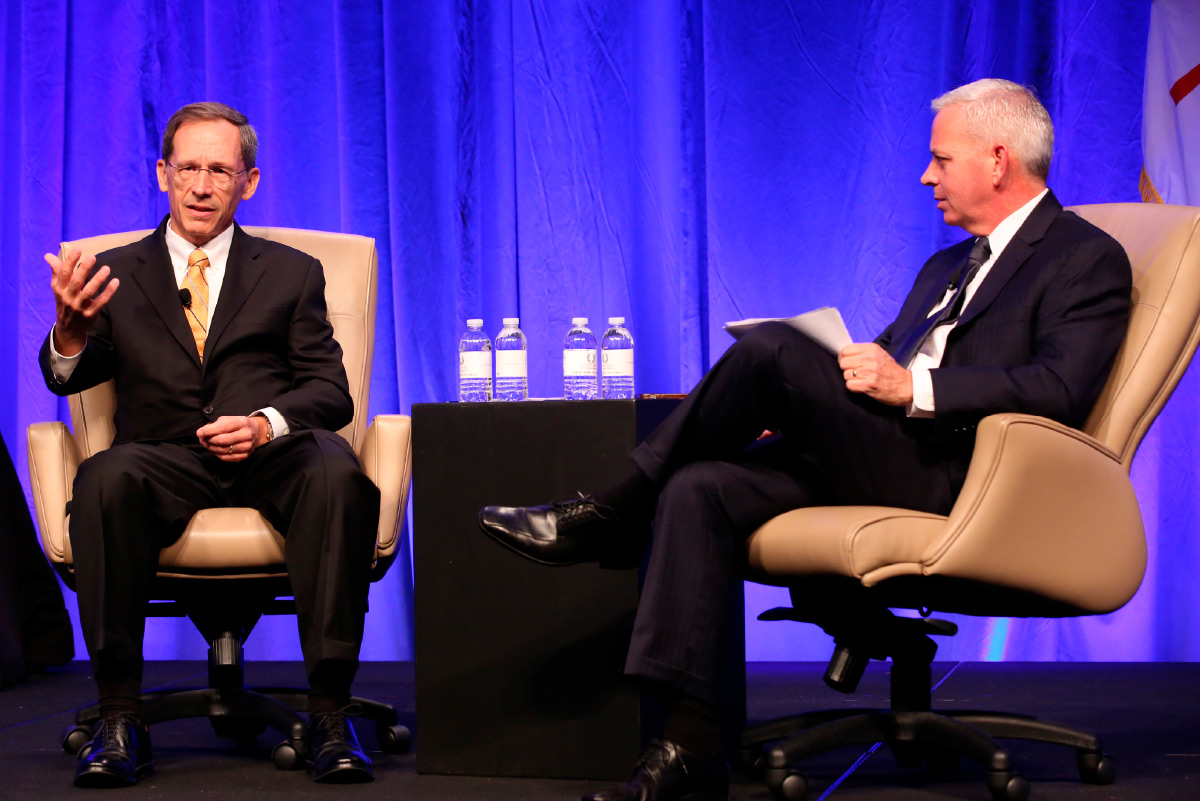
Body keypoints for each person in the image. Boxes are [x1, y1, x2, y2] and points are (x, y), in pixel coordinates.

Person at [478, 78, 1132, 801]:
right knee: (702, 486)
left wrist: (910, 388)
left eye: (941, 160)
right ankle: (686, 748)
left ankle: (614, 510)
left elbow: (1058, 390)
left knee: (775, 352)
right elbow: (881, 357)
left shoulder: (1084, 257)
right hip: (883, 456)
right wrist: (811, 399)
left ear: (999, 160)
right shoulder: (945, 265)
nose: (926, 175)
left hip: (970, 478)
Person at [39, 102, 381, 787]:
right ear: (162, 173)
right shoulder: (112, 272)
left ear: (248, 181)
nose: (201, 185)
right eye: (188, 167)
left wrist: (263, 423)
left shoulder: (291, 271)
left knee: (337, 472)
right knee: (104, 478)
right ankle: (118, 718)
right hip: (164, 458)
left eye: (219, 170)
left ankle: (328, 713)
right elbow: (64, 373)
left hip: (270, 454)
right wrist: (70, 332)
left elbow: (329, 391)